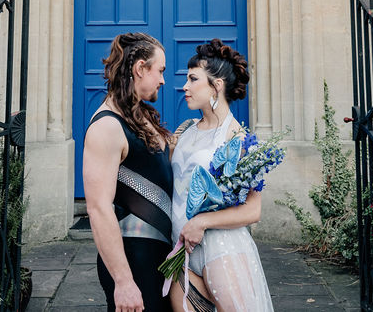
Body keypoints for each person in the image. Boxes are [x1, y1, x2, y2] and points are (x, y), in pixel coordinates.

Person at [168, 40, 273, 312]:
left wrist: (201, 221)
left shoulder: (240, 139)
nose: (185, 87)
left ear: (216, 86)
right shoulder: (185, 130)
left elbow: (253, 211)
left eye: (193, 79)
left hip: (222, 249)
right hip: (182, 251)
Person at [84, 32, 174, 312]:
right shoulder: (106, 127)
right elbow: (98, 209)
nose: (162, 79)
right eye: (159, 70)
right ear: (140, 69)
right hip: (134, 261)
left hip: (159, 254)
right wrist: (123, 281)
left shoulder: (140, 116)